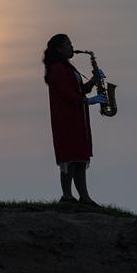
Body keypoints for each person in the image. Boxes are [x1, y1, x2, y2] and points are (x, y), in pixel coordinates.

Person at [43, 34, 107, 206]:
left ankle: (84, 197)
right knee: (69, 157)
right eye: (68, 44)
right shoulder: (57, 68)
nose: (72, 47)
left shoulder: (68, 68)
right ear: (59, 48)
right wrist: (89, 100)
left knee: (79, 157)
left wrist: (93, 81)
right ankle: (67, 196)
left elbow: (78, 90)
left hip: (77, 116)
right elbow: (65, 93)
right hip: (66, 118)